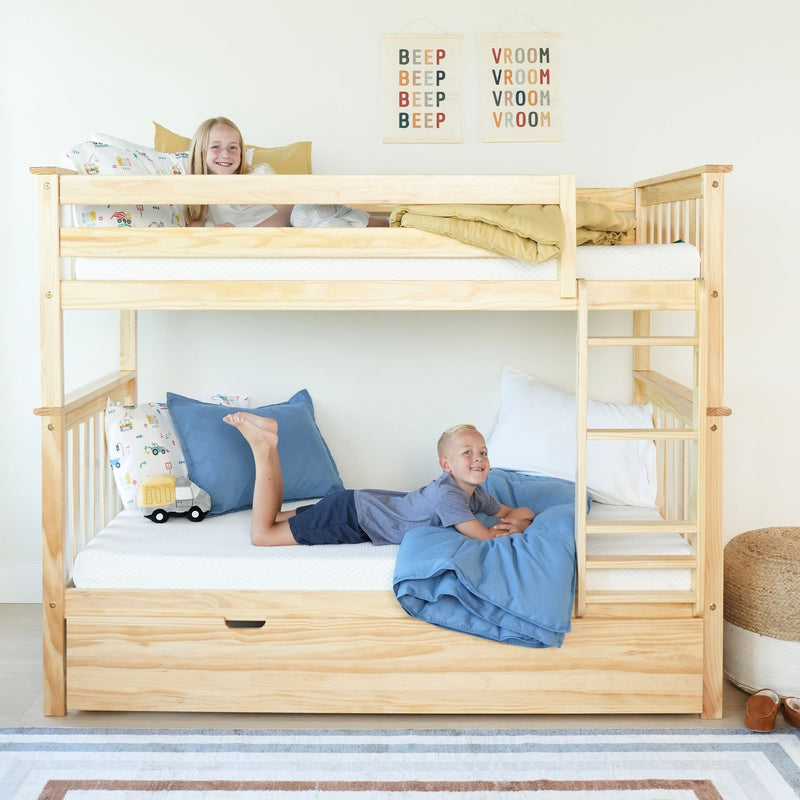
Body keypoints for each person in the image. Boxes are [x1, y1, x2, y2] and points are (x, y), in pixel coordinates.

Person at [221, 416, 535, 547]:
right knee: (263, 534)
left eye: (483, 452)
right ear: (446, 466)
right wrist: (516, 527)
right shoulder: (449, 496)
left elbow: (518, 512)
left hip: (355, 503)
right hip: (352, 518)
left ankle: (268, 443)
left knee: (272, 518)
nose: (478, 458)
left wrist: (519, 520)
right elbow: (485, 538)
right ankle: (264, 448)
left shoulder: (475, 495)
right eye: (468, 452)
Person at [184, 116, 389, 228]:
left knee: (304, 214)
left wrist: (246, 234)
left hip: (295, 216)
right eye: (215, 147)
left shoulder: (258, 174)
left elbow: (287, 211)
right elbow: (195, 231)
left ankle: (383, 224)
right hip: (304, 227)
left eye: (233, 147)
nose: (225, 154)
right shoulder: (199, 197)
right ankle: (350, 231)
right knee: (329, 227)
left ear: (242, 151)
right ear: (200, 152)